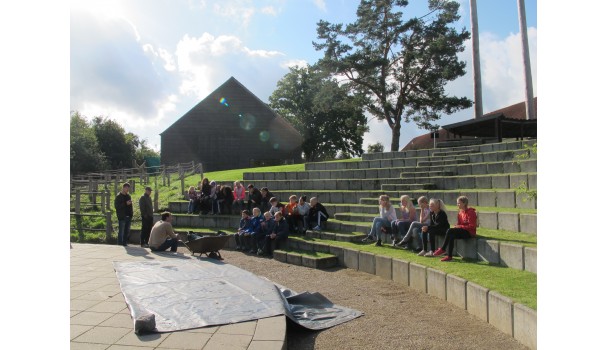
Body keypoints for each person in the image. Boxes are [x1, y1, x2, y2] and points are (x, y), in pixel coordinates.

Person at [433, 196, 477, 261]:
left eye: (459, 203)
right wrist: (457, 226)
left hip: (469, 232)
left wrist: (460, 227)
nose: (457, 205)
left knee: (450, 231)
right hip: (463, 231)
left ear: (464, 203)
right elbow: (459, 224)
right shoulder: (460, 213)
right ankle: (449, 256)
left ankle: (443, 249)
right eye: (457, 203)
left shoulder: (471, 212)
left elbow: (472, 226)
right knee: (451, 234)